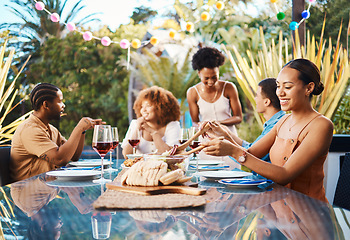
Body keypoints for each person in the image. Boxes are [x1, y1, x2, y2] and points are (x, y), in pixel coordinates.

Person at [202, 58, 333, 202]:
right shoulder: (283, 121)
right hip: (280, 210)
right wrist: (223, 134)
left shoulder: (321, 126)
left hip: (309, 213)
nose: (280, 93)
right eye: (278, 86)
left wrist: (233, 150)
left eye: (288, 87)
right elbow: (252, 153)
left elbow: (285, 175)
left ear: (309, 88)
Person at [10, 83, 103, 181]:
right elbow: (60, 159)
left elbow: (74, 155)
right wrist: (79, 128)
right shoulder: (30, 130)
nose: (63, 105)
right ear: (46, 104)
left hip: (48, 190)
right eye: (60, 101)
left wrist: (82, 131)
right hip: (28, 192)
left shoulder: (51, 129)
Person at [207, 78, 285, 162]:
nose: (255, 99)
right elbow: (252, 148)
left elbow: (249, 156)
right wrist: (226, 133)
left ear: (266, 102)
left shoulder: (277, 125)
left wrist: (226, 137)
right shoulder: (275, 122)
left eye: (257, 95)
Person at [187, 47, 242, 135]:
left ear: (218, 71)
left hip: (229, 137)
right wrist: (201, 126)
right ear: (199, 74)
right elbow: (194, 123)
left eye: (214, 77)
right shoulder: (192, 92)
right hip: (207, 140)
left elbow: (238, 117)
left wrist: (217, 124)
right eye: (206, 78)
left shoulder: (229, 87)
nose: (210, 81)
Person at [122, 86, 181, 157]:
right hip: (140, 167)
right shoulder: (135, 124)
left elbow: (170, 155)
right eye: (142, 106)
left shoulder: (172, 126)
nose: (143, 110)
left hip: (164, 167)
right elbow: (126, 155)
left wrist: (153, 132)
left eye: (148, 106)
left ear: (161, 108)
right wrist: (137, 129)